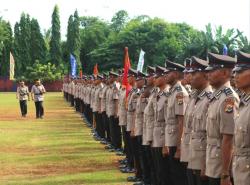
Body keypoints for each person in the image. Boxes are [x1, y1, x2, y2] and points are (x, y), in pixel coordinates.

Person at [205, 52, 239, 185]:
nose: (208, 75)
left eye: (212, 71)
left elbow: (228, 138)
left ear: (225, 73)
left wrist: (225, 173)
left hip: (220, 162)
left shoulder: (228, 98)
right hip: (212, 159)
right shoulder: (217, 97)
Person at [163, 59, 189, 185]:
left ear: (178, 74)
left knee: (178, 174)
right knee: (171, 172)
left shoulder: (180, 93)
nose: (166, 75)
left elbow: (182, 121)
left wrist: (179, 147)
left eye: (169, 72)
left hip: (175, 139)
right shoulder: (172, 92)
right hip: (170, 136)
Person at [187, 56, 212, 185]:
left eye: (194, 73)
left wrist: (205, 163)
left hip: (204, 157)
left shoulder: (210, 99)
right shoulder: (196, 97)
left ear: (205, 75)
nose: (190, 77)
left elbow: (211, 135)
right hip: (194, 154)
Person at [232, 51, 250, 185]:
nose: (235, 76)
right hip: (240, 170)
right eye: (234, 72)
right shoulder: (243, 102)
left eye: (240, 72)